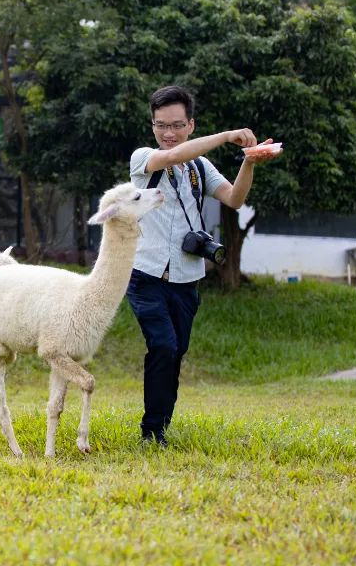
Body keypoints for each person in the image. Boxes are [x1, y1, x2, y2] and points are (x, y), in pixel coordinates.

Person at [126, 85, 280, 446]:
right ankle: (151, 433)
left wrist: (248, 161)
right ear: (152, 127)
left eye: (177, 125)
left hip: (186, 277)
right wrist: (227, 135)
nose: (169, 133)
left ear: (191, 124)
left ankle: (160, 426)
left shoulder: (200, 168)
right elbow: (171, 156)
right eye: (161, 125)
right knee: (162, 345)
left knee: (176, 352)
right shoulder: (143, 158)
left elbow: (235, 199)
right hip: (146, 276)